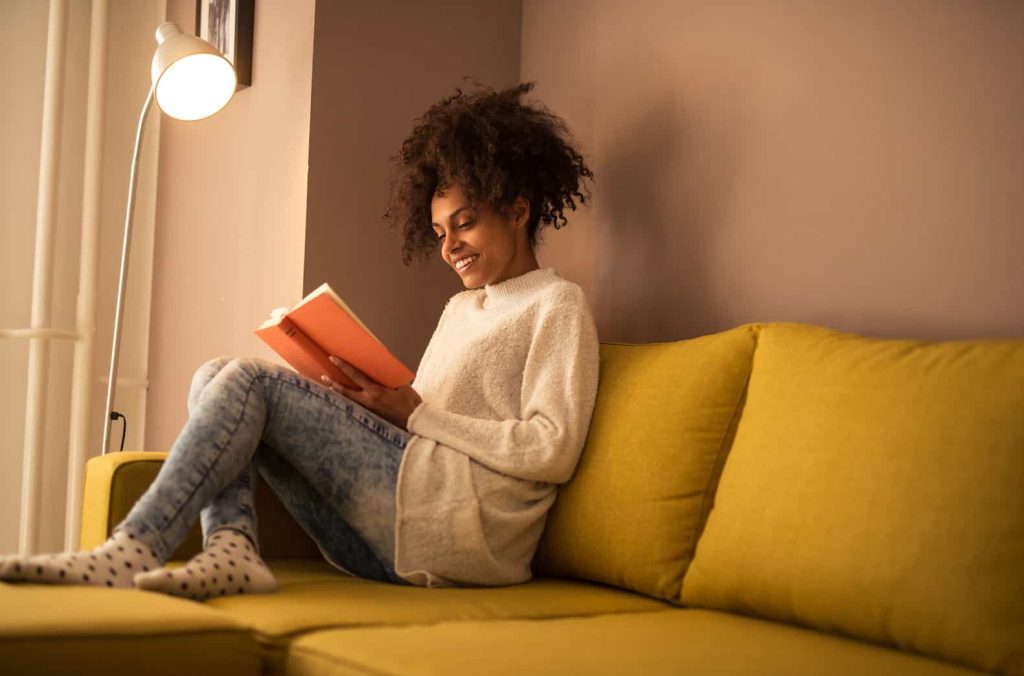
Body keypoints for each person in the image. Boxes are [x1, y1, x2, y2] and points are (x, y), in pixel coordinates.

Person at [0, 80, 599, 597]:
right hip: (396, 531)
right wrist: (363, 402)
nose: (450, 246)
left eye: (464, 223)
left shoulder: (556, 304)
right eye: (440, 232)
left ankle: (134, 546)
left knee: (248, 380)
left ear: (517, 211)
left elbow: (552, 448)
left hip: (469, 535)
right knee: (214, 375)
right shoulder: (461, 308)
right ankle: (231, 548)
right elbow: (422, 426)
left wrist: (415, 413)